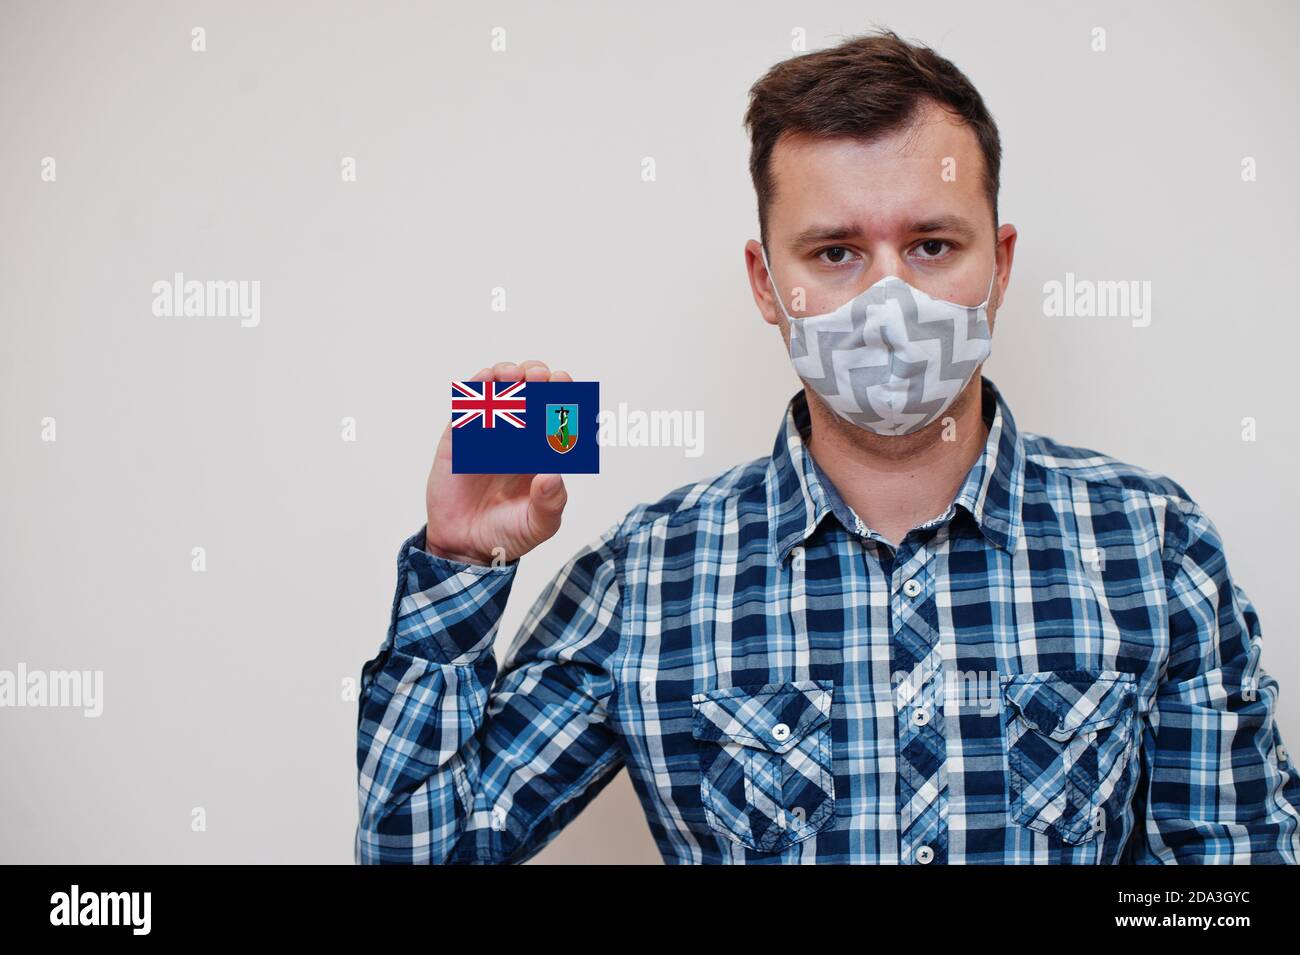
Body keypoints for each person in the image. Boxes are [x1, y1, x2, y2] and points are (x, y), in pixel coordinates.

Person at [354, 29, 1300, 864]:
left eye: (932, 244)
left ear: (999, 264)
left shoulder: (1153, 542)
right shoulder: (646, 576)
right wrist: (461, 563)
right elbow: (416, 851)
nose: (890, 299)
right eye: (836, 252)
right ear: (767, 284)